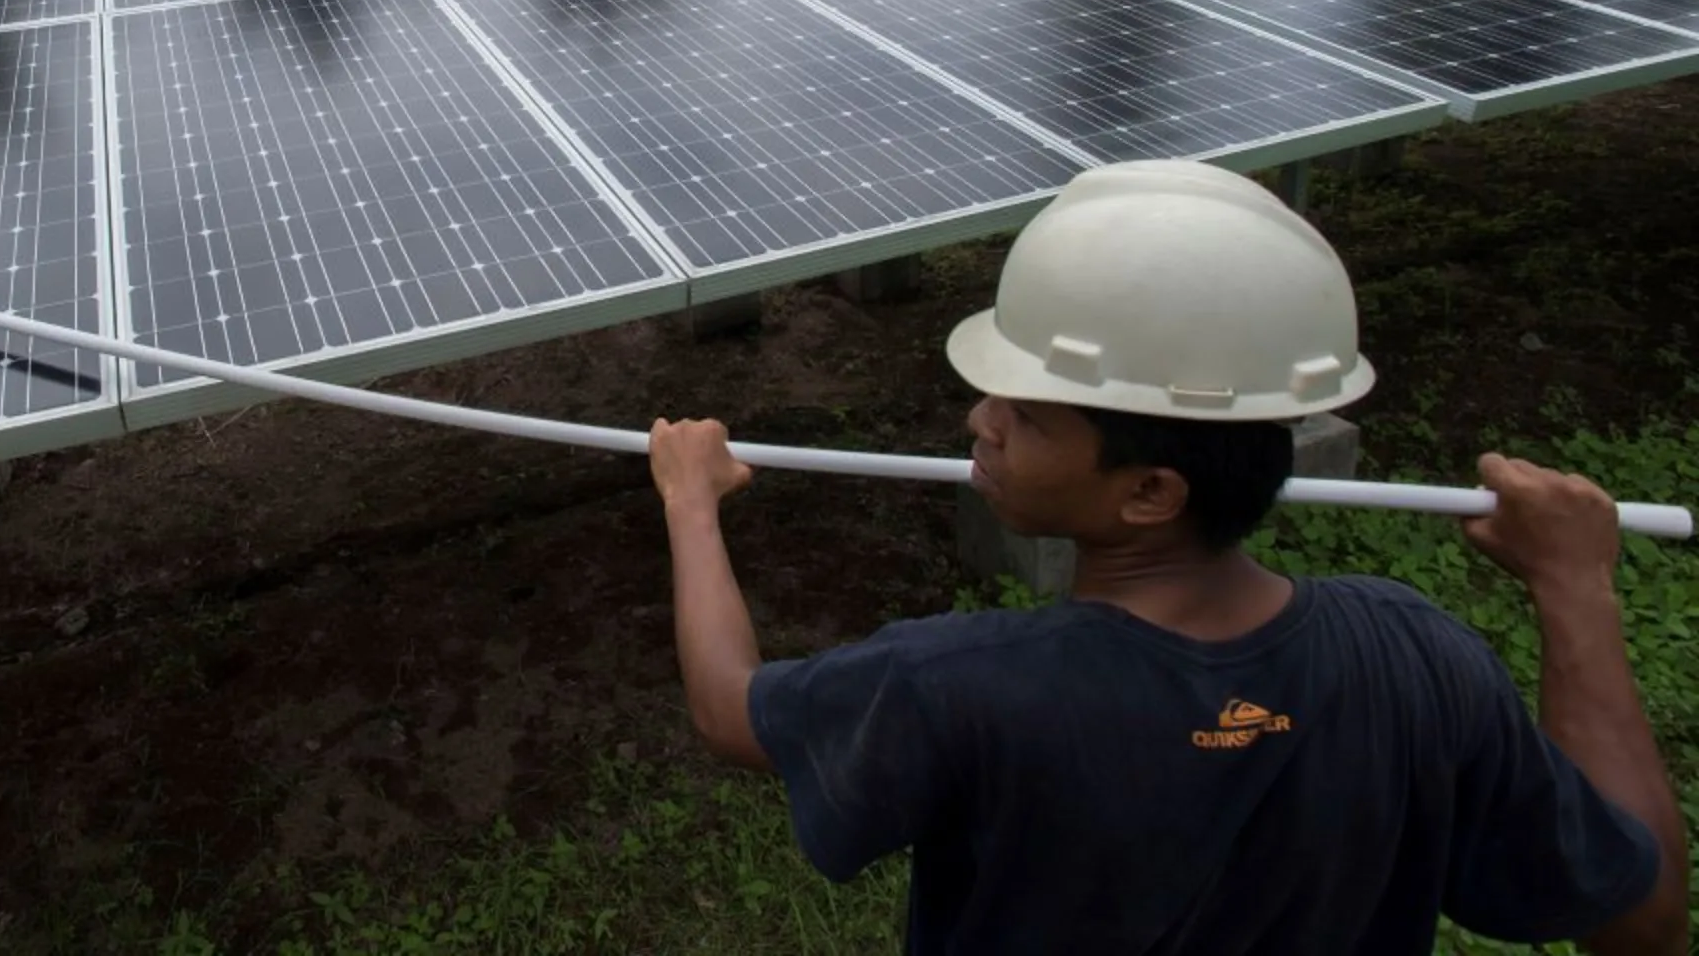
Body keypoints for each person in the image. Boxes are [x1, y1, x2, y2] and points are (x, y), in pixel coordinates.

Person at [649, 158, 1687, 955]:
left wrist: (692, 501)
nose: (980, 417)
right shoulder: (1420, 657)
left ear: (1151, 489)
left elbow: (729, 707)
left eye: (1025, 410)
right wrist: (1574, 585)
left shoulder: (958, 685)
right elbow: (1639, 924)